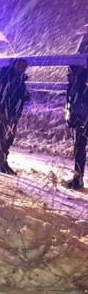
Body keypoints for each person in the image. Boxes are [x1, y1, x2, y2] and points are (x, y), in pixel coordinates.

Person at [0, 58, 30, 174]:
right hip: (3, 112)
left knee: (2, 138)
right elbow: (8, 94)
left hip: (5, 112)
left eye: (25, 67)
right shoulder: (9, 79)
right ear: (16, 66)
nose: (24, 70)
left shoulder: (6, 77)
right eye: (23, 67)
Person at [64, 33, 88, 189]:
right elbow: (72, 90)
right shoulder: (76, 67)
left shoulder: (76, 67)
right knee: (79, 145)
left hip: (80, 111)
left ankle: (78, 178)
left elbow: (73, 90)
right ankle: (77, 177)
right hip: (80, 112)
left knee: (80, 145)